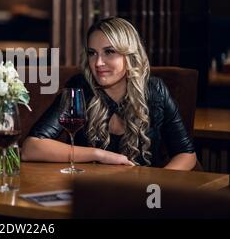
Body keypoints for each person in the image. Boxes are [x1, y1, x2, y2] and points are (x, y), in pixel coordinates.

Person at [21, 17, 197, 170]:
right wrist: (99, 155)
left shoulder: (154, 90)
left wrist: (158, 185)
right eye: (92, 53)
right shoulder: (80, 88)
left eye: (109, 52)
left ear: (129, 56)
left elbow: (186, 154)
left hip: (143, 194)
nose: (98, 63)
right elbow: (31, 148)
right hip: (92, 193)